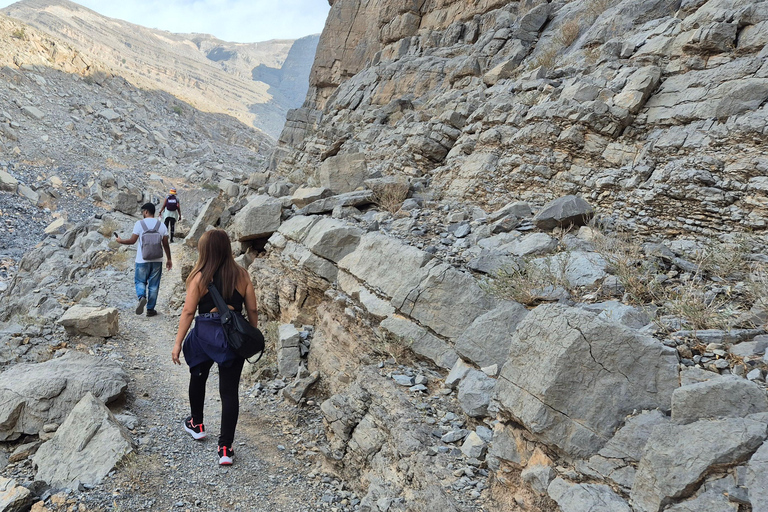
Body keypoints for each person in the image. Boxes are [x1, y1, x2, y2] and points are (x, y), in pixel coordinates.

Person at [171, 229, 258, 466]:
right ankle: (225, 448)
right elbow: (252, 309)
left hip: (205, 335)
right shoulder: (242, 274)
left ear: (205, 250)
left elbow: (188, 312)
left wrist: (178, 343)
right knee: (229, 392)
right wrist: (250, 333)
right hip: (233, 336)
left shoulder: (199, 277)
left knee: (198, 376)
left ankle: (196, 424)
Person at [116, 202, 172, 317]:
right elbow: (166, 244)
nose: (142, 213)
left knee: (140, 281)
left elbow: (132, 241)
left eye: (143, 211)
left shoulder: (139, 224)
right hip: (157, 260)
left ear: (146, 212)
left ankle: (142, 297)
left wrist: (120, 241)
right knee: (154, 285)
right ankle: (150, 310)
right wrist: (169, 259)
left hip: (142, 260)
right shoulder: (161, 225)